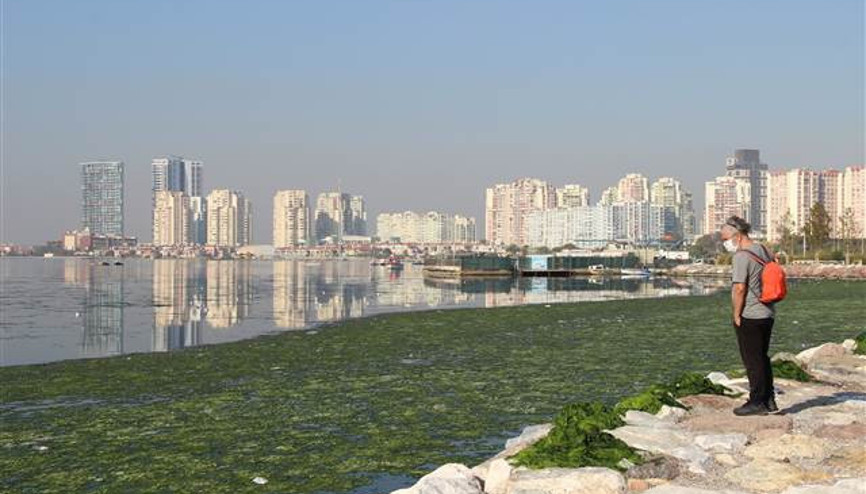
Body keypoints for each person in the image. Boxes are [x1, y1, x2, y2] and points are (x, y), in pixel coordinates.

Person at [720, 216, 778, 416]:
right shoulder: (763, 249)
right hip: (767, 312)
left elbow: (739, 288)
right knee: (762, 356)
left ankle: (757, 401)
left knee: (752, 360)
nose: (725, 243)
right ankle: (769, 399)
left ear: (736, 234)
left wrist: (736, 314)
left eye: (725, 238)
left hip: (750, 314)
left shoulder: (741, 256)